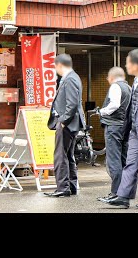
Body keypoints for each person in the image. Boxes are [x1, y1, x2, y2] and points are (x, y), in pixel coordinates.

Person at [103, 49, 138, 209]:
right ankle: (123, 197)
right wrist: (127, 129)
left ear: (136, 64)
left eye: (128, 62)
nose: (126, 65)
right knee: (130, 163)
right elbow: (133, 108)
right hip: (136, 132)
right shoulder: (136, 81)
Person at [46, 54, 85, 198]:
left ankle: (63, 187)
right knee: (68, 155)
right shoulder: (72, 77)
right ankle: (71, 186)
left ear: (60, 65)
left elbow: (72, 103)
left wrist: (62, 121)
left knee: (60, 156)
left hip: (67, 123)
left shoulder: (70, 79)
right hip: (71, 123)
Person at [96, 67, 131, 202]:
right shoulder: (129, 87)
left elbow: (114, 105)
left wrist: (102, 111)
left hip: (114, 126)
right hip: (124, 126)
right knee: (123, 159)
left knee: (113, 160)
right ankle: (124, 192)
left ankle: (116, 192)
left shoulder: (115, 86)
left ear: (111, 77)